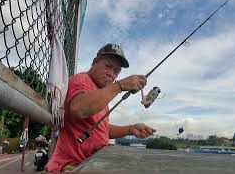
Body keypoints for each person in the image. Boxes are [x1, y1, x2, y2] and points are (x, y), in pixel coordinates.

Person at [47, 43, 156, 172]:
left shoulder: (101, 95)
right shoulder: (81, 80)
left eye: (116, 71)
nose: (111, 74)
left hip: (90, 162)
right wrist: (119, 86)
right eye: (108, 66)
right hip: (72, 165)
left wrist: (130, 129)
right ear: (94, 62)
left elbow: (101, 129)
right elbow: (78, 109)